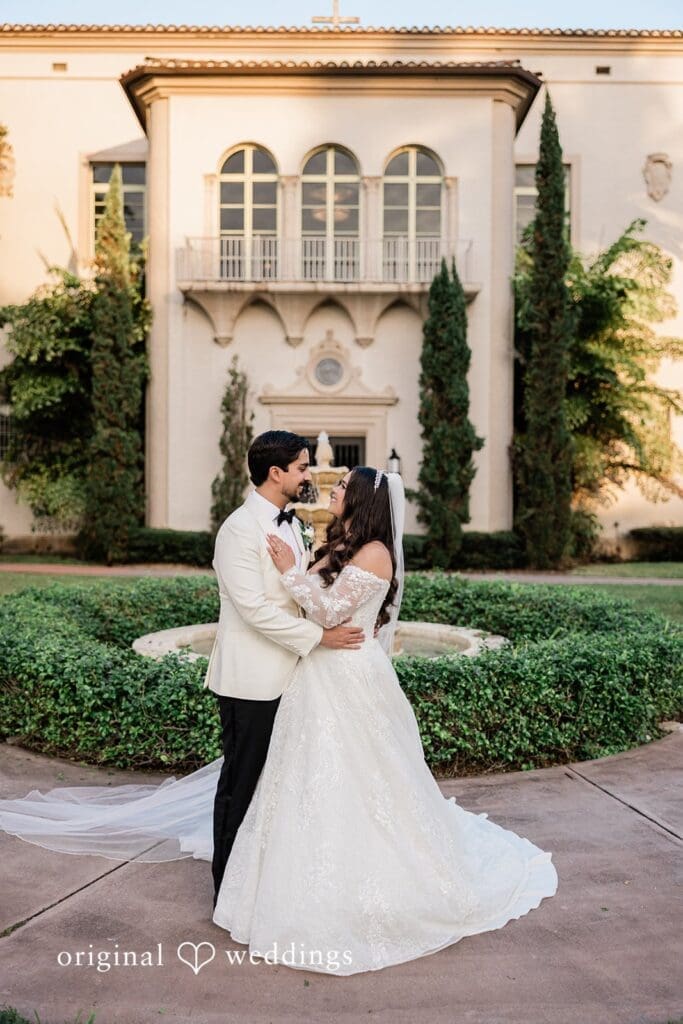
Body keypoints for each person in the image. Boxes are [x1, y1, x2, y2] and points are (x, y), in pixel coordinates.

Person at [0, 460, 558, 977]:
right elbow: (313, 604)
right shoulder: (339, 542)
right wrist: (307, 567)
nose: (331, 488)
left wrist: (293, 571)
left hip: (349, 673)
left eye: (342, 487)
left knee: (361, 775)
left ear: (363, 500)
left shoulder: (376, 553)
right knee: (302, 773)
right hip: (316, 672)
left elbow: (329, 610)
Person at [204, 430, 365, 906]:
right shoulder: (238, 530)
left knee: (277, 787)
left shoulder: (292, 523)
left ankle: (260, 884)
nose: (308, 475)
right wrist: (320, 638)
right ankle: (225, 889)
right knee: (241, 783)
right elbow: (254, 610)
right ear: (276, 473)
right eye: (301, 467)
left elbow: (297, 592)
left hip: (293, 677)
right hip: (251, 682)